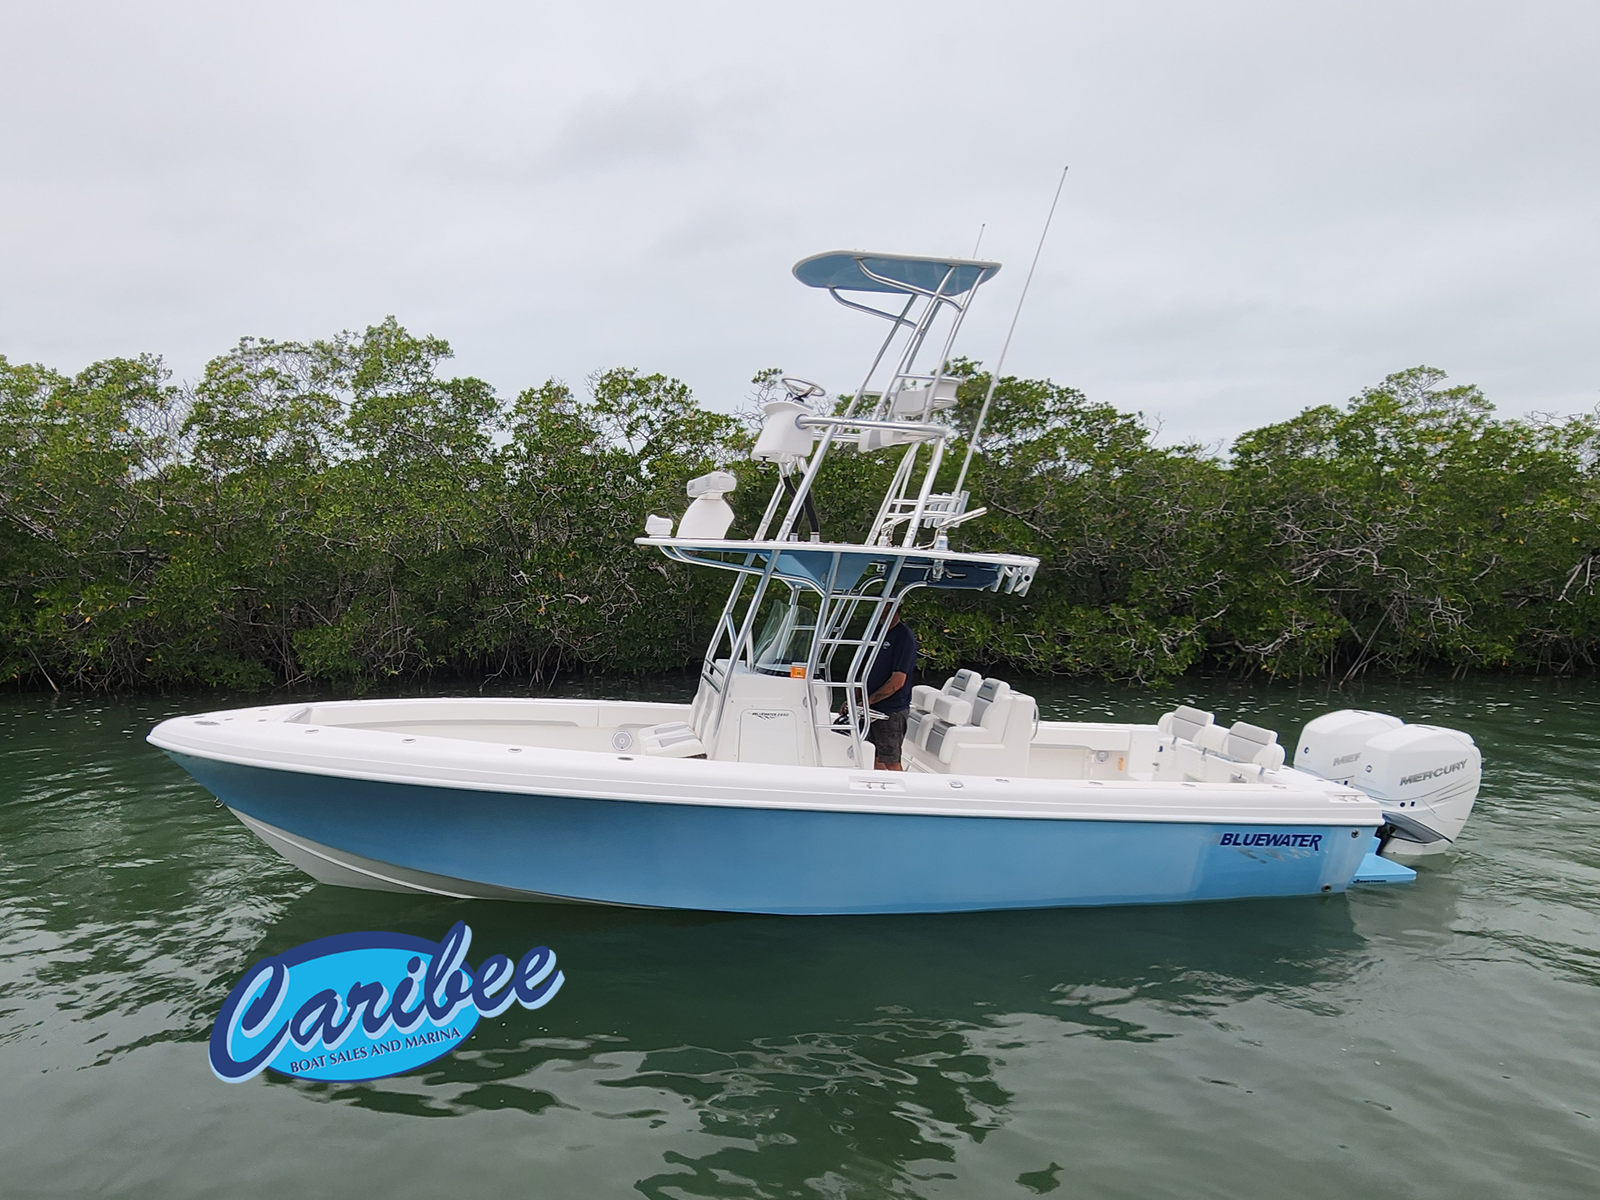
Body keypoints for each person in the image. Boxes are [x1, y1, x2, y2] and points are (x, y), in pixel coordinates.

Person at [859, 610, 918, 770]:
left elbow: (897, 681)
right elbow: (862, 670)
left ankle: (902, 786)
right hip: (869, 708)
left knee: (890, 761)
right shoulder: (875, 632)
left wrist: (867, 701)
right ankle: (877, 785)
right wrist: (855, 699)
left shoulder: (904, 637)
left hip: (891, 710)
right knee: (873, 757)